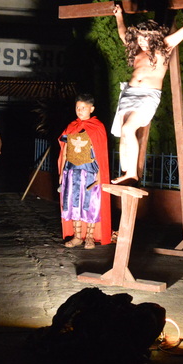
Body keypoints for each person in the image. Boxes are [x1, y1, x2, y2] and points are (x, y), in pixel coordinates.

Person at [110, 0, 183, 184]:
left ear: (154, 37)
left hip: (147, 96)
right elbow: (122, 34)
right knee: (123, 133)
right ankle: (125, 171)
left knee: (129, 129)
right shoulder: (137, 51)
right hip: (129, 94)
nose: (141, 42)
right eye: (140, 38)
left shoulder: (164, 49)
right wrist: (119, 16)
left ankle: (132, 174)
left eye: (145, 39)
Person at [58, 93, 112, 249]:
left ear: (91, 109)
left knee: (90, 203)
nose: (80, 111)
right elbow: (66, 149)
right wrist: (62, 172)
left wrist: (100, 175)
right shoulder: (71, 126)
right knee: (73, 203)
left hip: (90, 172)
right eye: (77, 108)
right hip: (72, 172)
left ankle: (89, 237)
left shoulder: (97, 127)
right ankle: (77, 237)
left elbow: (100, 153)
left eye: (83, 108)